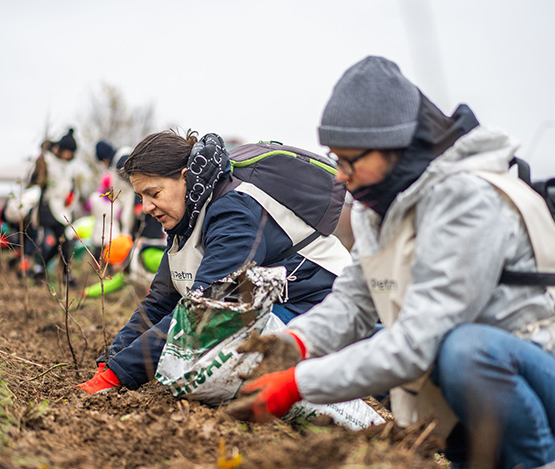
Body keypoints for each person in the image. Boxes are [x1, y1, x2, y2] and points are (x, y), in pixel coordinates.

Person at [234, 56, 555, 469]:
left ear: (395, 147)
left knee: (463, 347)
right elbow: (353, 302)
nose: (342, 177)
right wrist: (292, 345)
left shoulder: (469, 199)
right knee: (420, 349)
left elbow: (420, 339)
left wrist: (298, 383)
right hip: (498, 390)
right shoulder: (377, 206)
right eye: (336, 159)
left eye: (350, 160)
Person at [77, 131, 351, 393]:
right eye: (141, 197)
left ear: (185, 178)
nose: (146, 207)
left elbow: (208, 307)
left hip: (320, 301)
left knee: (226, 364)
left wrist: (118, 375)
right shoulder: (185, 219)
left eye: (154, 194)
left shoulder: (234, 211)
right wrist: (110, 360)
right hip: (276, 302)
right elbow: (160, 301)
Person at [30, 128, 84, 283]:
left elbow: (72, 186)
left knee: (64, 241)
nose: (68, 155)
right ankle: (57, 272)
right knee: (57, 240)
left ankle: (44, 269)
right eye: (66, 151)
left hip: (64, 208)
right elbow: (36, 180)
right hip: (48, 207)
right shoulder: (47, 160)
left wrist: (71, 196)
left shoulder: (70, 167)